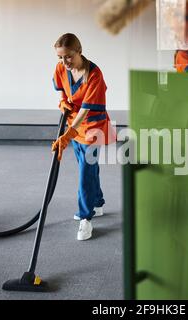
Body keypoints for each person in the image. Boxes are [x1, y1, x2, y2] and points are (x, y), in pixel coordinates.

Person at [52, 33, 116, 240]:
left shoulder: (95, 75)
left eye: (68, 56)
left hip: (92, 128)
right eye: (60, 58)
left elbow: (86, 110)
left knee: (85, 173)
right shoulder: (62, 68)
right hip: (75, 125)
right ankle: (97, 203)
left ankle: (85, 218)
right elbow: (61, 88)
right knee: (87, 168)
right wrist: (63, 101)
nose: (64, 62)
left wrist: (69, 134)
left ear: (79, 51)